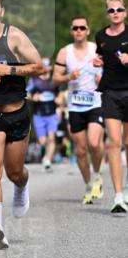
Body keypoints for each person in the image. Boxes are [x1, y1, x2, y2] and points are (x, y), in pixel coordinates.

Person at [0, 0, 44, 249]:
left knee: (14, 172)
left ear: (1, 10)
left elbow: (38, 67)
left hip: (16, 112)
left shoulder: (14, 36)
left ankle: (21, 186)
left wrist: (8, 69)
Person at [53, 16, 104, 204]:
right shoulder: (64, 53)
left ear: (88, 30)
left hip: (96, 102)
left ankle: (98, 174)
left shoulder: (97, 48)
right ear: (71, 31)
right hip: (75, 105)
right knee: (81, 150)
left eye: (82, 28)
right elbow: (55, 79)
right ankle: (89, 185)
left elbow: (113, 69)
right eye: (76, 28)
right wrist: (68, 77)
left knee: (94, 142)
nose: (79, 31)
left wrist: (103, 80)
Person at [94, 0, 128, 214]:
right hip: (109, 92)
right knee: (114, 142)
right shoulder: (100, 36)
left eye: (119, 10)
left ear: (125, 12)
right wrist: (98, 61)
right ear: (107, 13)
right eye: (111, 10)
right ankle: (118, 196)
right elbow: (100, 57)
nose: (115, 13)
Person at [27, 60, 59, 171]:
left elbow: (59, 96)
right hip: (38, 114)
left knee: (52, 138)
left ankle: (48, 160)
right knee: (42, 141)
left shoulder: (54, 81)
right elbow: (26, 94)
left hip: (52, 114)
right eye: (43, 67)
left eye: (47, 66)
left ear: (50, 68)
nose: (45, 69)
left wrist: (59, 100)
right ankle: (46, 156)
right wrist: (33, 98)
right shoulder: (35, 81)